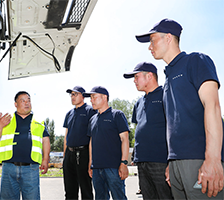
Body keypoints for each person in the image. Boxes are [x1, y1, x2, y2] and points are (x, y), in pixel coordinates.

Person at [136, 18, 224, 199]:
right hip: (175, 165)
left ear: (168, 38)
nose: (149, 47)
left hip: (199, 160)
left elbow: (213, 107)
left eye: (152, 40)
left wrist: (213, 160)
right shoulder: (168, 78)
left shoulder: (196, 61)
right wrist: (171, 162)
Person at [123, 62, 173, 200]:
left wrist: (171, 161)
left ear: (149, 76)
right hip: (142, 161)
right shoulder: (138, 102)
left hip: (161, 160)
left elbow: (174, 126)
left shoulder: (166, 94)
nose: (134, 81)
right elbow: (139, 129)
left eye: (137, 76)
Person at [0, 91, 50, 200]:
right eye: (22, 101)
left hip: (31, 169)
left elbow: (45, 140)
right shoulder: (6, 120)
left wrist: (45, 159)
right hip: (9, 168)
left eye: (28, 100)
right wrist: (0, 125)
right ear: (15, 104)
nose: (27, 103)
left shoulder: (39, 122)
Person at [84, 86, 130, 200]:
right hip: (96, 169)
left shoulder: (117, 115)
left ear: (104, 97)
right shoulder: (92, 119)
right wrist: (90, 164)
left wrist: (124, 163)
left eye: (94, 97)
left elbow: (125, 139)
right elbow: (91, 142)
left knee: (119, 197)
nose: (91, 100)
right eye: (90, 98)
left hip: (113, 168)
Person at [63, 86, 97, 200]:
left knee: (85, 189)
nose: (72, 97)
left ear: (83, 96)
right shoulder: (69, 113)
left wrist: (91, 160)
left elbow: (93, 135)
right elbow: (66, 135)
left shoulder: (91, 111)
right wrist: (65, 156)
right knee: (69, 190)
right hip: (69, 154)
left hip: (83, 153)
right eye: (71, 95)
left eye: (75, 94)